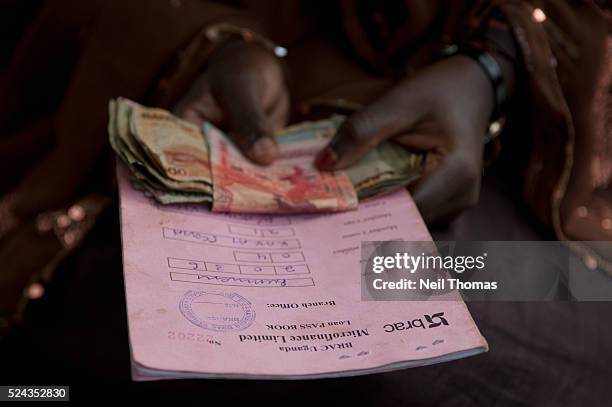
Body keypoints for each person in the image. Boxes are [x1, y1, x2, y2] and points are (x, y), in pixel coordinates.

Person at [0, 1, 611, 404]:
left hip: (564, 209)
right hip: (237, 116)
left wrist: (494, 68)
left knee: (454, 308)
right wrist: (214, 47)